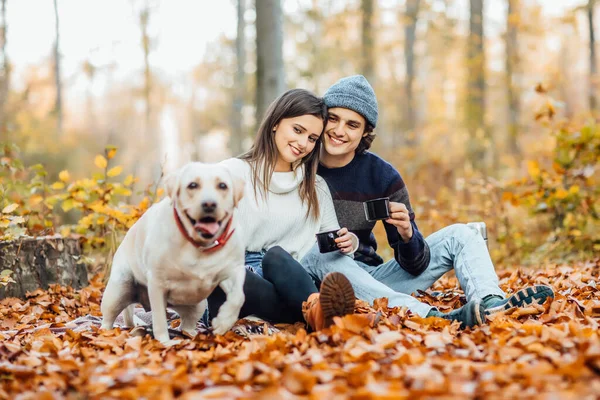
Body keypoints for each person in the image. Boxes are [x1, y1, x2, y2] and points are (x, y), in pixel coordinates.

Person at [263, 76, 554, 329]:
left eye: (352, 124)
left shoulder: (382, 176)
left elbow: (416, 266)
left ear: (365, 132)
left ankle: (490, 303)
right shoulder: (298, 161)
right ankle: (435, 318)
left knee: (462, 235)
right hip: (324, 288)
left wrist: (406, 235)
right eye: (334, 119)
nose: (340, 130)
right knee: (322, 251)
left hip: (374, 280)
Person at [206, 88, 357, 331]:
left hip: (290, 281)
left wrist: (349, 242)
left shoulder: (315, 186)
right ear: (276, 123)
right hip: (234, 280)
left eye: (312, 138)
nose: (303, 143)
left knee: (276, 256)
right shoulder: (232, 172)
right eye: (297, 130)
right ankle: (321, 318)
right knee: (227, 273)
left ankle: (316, 312)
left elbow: (331, 251)